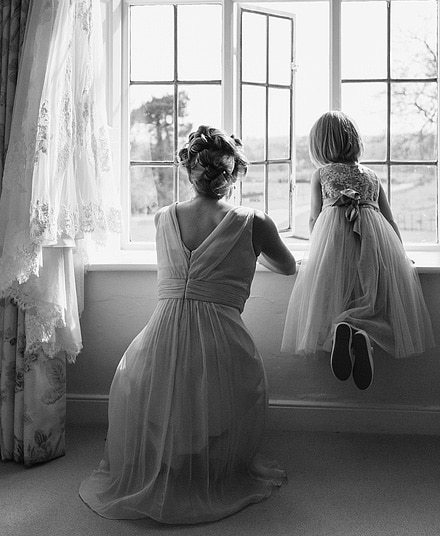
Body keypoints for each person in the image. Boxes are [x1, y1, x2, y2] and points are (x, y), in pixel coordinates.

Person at [79, 126, 297, 524]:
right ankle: (208, 467)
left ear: (189, 171)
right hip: (221, 335)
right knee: (227, 382)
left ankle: (175, 464)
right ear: (234, 175)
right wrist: (250, 251)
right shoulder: (253, 221)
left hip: (162, 332)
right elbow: (288, 266)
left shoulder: (164, 217)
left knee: (164, 383)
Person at [281, 111, 435, 390]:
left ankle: (346, 329)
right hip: (374, 244)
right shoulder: (371, 176)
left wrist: (316, 249)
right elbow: (389, 219)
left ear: (319, 145)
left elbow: (315, 218)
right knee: (372, 295)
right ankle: (360, 333)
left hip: (335, 244)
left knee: (335, 295)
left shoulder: (321, 174)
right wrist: (399, 253)